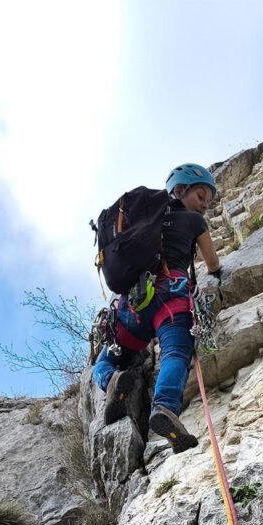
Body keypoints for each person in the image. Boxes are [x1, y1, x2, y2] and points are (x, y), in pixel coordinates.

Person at [92, 163, 222, 453]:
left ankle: (111, 381)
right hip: (172, 298)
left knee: (106, 359)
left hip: (132, 306)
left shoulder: (144, 222)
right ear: (179, 190)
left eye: (208, 201)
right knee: (176, 351)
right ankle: (163, 408)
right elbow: (212, 264)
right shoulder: (194, 221)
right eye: (201, 196)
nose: (205, 205)